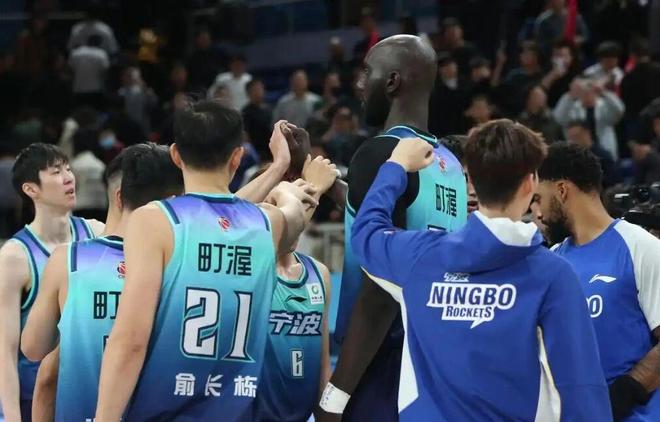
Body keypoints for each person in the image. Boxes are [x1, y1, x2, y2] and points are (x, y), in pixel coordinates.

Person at [345, 120, 611, 420]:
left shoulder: (420, 256)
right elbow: (582, 389)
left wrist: (396, 165)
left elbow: (365, 232)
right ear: (530, 184)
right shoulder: (553, 274)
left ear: (470, 178)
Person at [94, 102, 322, 420]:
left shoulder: (154, 220)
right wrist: (283, 171)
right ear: (237, 157)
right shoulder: (268, 223)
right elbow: (286, 213)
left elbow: (131, 340)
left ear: (176, 155)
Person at [320, 35, 468, 422]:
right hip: (432, 360)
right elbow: (392, 213)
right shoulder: (448, 162)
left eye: (366, 72)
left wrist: (336, 394)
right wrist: (333, 185)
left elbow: (380, 288)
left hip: (380, 362)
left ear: (392, 81)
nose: (358, 83)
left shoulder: (379, 153)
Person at [20, 143, 183, 421]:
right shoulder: (178, 265)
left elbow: (34, 350)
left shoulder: (69, 260)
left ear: (117, 196)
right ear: (173, 201)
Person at [536, 142, 660, 421]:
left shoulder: (641, 247)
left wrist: (624, 393)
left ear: (562, 190)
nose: (539, 213)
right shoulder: (552, 259)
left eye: (539, 198)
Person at [0, 143, 103, 422]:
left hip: (88, 393)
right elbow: (5, 352)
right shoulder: (14, 256)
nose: (69, 177)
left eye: (68, 169)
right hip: (34, 399)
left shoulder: (96, 233)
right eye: (56, 172)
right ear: (31, 189)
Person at [554, 78, 625, 160]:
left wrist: (604, 92)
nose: (587, 94)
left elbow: (620, 110)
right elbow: (559, 118)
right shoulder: (573, 108)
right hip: (580, 152)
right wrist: (570, 95)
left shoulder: (605, 106)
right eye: (583, 91)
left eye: (589, 90)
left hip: (605, 148)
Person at [428, 53, 471, 137]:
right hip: (444, 129)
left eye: (450, 64)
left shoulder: (467, 84)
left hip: (465, 126)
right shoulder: (435, 90)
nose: (448, 68)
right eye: (444, 66)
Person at [566, 120, 618, 188]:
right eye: (570, 138)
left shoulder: (603, 156)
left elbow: (613, 180)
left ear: (587, 134)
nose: (572, 142)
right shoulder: (570, 159)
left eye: (576, 137)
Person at [69, 34, 109, 109]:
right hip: (96, 89)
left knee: (79, 112)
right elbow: (105, 72)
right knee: (95, 112)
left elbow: (71, 70)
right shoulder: (101, 53)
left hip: (78, 89)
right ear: (99, 43)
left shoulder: (75, 53)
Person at [541, 40, 582, 107]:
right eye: (555, 55)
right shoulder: (547, 71)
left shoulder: (577, 73)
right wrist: (551, 77)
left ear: (571, 57)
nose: (557, 59)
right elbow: (539, 93)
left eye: (561, 56)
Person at [242, 79, 273, 159]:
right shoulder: (246, 112)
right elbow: (245, 134)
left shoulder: (269, 109)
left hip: (271, 149)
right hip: (256, 152)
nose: (258, 92)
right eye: (255, 90)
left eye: (260, 89)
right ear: (248, 93)